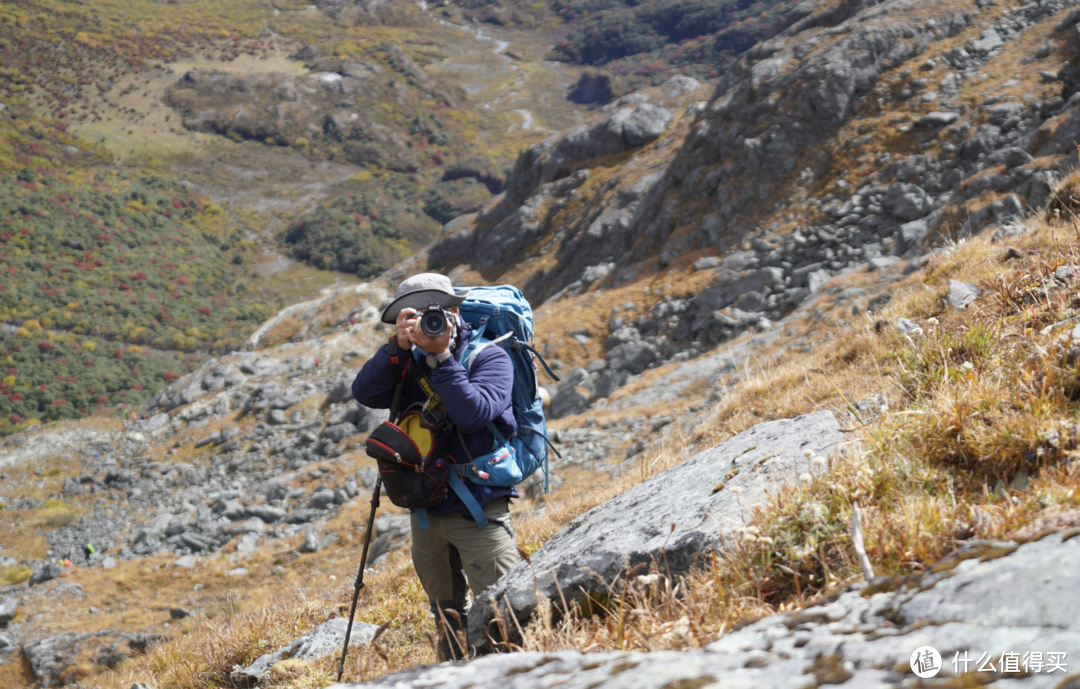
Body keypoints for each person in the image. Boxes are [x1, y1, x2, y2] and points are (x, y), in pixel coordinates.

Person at [352, 273, 521, 661]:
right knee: (446, 616)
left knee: (503, 611)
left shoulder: (489, 356)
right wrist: (395, 347)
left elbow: (473, 414)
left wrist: (442, 358)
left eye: (438, 311)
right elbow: (364, 392)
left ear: (456, 311)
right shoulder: (406, 363)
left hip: (478, 507)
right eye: (418, 314)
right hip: (426, 510)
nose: (430, 321)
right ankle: (455, 671)